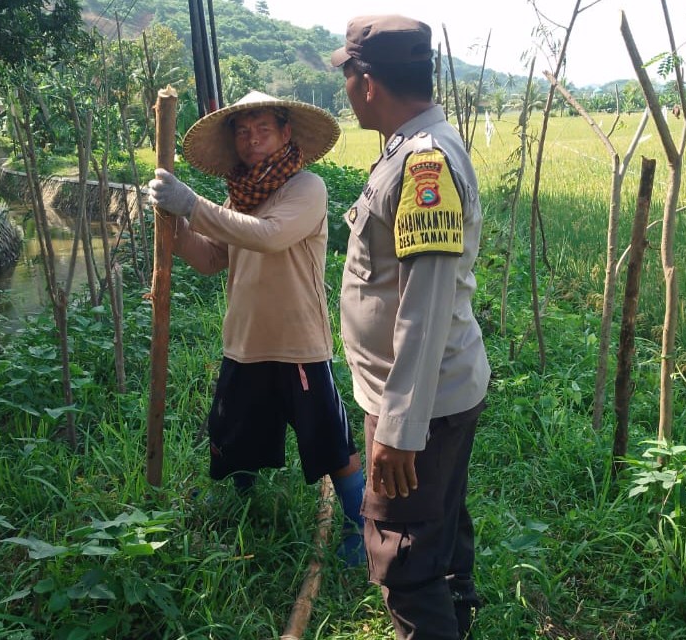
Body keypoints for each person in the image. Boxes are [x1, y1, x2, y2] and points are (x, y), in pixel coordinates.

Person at [147, 91, 365, 565]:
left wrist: (192, 204)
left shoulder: (307, 189)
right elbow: (212, 258)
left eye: (263, 129)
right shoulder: (238, 197)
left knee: (329, 439)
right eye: (243, 132)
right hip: (245, 340)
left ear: (285, 132)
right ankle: (238, 504)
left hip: (298, 342)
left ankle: (358, 524)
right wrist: (176, 228)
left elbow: (269, 236)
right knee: (233, 431)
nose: (252, 139)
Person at [331, 15, 492, 639]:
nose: (348, 90)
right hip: (429, 395)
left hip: (418, 405)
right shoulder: (409, 149)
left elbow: (424, 305)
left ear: (368, 83)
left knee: (403, 558)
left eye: (347, 77)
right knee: (438, 532)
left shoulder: (425, 163)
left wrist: (399, 430)